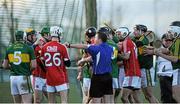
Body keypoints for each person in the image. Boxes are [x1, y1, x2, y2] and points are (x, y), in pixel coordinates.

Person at [65, 27, 113, 103]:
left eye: (95, 38)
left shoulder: (96, 48)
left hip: (98, 77)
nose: (93, 40)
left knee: (96, 100)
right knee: (108, 100)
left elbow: (83, 46)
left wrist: (70, 45)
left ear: (100, 40)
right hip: (108, 77)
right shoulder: (110, 48)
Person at [144, 21, 180, 102]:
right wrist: (153, 50)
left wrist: (160, 54)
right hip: (176, 71)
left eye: (171, 31)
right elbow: (166, 50)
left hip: (178, 70)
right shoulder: (176, 41)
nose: (169, 33)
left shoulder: (178, 41)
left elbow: (175, 59)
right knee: (175, 96)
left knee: (176, 96)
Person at [2, 30, 37, 103]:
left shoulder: (9, 48)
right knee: (27, 102)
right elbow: (34, 65)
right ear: (24, 37)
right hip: (24, 77)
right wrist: (28, 70)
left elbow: (5, 66)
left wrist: (13, 68)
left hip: (13, 78)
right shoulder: (28, 48)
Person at [41, 26, 71, 103]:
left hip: (49, 78)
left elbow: (43, 62)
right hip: (60, 77)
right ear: (59, 34)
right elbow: (68, 64)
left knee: (51, 102)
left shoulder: (44, 47)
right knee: (64, 101)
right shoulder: (62, 47)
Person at [132, 24, 158, 103]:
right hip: (139, 69)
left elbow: (139, 43)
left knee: (149, 95)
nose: (134, 32)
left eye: (136, 30)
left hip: (147, 69)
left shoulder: (145, 38)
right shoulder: (134, 38)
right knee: (145, 96)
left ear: (142, 31)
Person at [116, 27, 141, 103]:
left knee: (124, 98)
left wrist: (116, 53)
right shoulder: (129, 41)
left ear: (124, 34)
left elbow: (126, 57)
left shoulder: (126, 42)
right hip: (136, 72)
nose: (117, 35)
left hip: (131, 73)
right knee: (135, 99)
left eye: (119, 34)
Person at [76, 27, 96, 103]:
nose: (89, 38)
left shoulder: (97, 45)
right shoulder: (85, 46)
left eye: (92, 36)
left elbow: (90, 58)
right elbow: (83, 58)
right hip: (87, 74)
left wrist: (82, 61)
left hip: (95, 74)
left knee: (92, 97)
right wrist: (80, 73)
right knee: (86, 95)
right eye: (89, 36)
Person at [32, 26, 50, 103]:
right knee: (37, 100)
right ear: (45, 35)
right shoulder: (40, 44)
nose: (52, 36)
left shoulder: (49, 44)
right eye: (50, 34)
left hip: (47, 76)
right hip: (38, 77)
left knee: (52, 100)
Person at [156, 34, 176, 103]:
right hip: (164, 76)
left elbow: (166, 51)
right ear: (162, 41)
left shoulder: (175, 48)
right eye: (166, 40)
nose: (168, 41)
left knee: (175, 97)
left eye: (170, 40)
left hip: (174, 75)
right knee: (166, 98)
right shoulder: (159, 49)